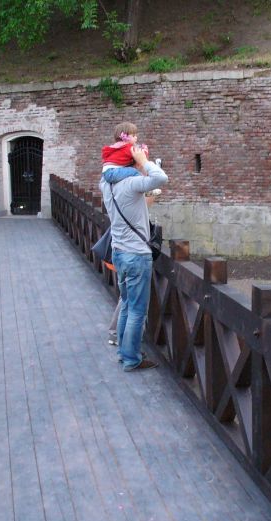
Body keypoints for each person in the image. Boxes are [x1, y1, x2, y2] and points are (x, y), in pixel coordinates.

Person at [101, 143, 168, 371]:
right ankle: (131, 358)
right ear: (131, 162)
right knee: (138, 310)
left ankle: (124, 352)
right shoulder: (131, 183)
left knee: (128, 304)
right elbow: (161, 178)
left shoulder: (106, 184)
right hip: (137, 255)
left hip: (118, 251)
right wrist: (144, 162)